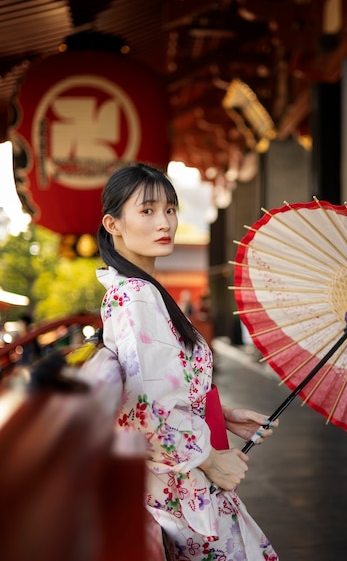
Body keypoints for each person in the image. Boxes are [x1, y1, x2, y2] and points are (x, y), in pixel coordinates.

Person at [92, 162, 279, 560]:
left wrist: (220, 414)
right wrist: (210, 459)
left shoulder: (141, 291)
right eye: (147, 210)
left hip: (177, 479)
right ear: (113, 224)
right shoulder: (138, 297)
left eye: (171, 209)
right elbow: (147, 409)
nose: (165, 222)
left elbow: (155, 386)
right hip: (180, 488)